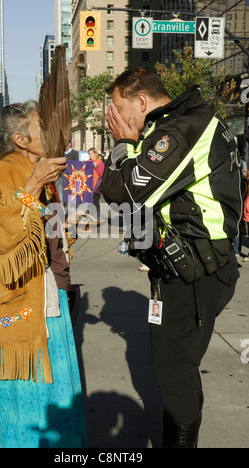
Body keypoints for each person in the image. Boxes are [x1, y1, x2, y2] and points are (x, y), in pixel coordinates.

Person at [101, 68, 241, 448]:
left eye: (118, 108)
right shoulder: (182, 121)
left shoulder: (179, 129)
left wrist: (124, 144)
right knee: (175, 369)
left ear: (141, 103)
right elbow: (118, 190)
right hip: (184, 268)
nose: (115, 118)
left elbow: (122, 193)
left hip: (196, 271)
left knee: (173, 372)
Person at [0, 100, 87, 448]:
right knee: (32, 410)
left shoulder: (32, 170)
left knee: (57, 401)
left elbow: (39, 227)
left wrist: (62, 226)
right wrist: (34, 184)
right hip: (22, 311)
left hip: (47, 301)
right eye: (42, 127)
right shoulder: (3, 172)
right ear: (20, 140)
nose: (51, 133)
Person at [88, 147, 105, 215]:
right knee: (89, 203)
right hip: (88, 186)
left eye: (90, 153)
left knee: (95, 202)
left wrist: (96, 167)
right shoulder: (88, 162)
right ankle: (91, 217)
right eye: (88, 154)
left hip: (96, 186)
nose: (89, 155)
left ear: (95, 154)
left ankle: (97, 217)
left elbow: (102, 173)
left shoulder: (99, 162)